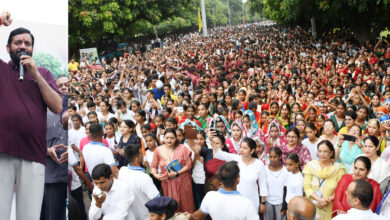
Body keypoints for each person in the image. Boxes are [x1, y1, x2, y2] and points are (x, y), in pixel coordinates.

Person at [0, 12, 63, 219]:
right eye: (18, 42)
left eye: (28, 43)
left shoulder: (43, 73)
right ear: (8, 48)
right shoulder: (2, 70)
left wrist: (35, 73)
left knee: (29, 216)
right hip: (3, 152)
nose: (23, 46)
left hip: (34, 155)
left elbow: (57, 106)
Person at [211, 136, 268, 213]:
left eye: (245, 148)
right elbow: (220, 153)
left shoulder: (259, 164)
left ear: (252, 151)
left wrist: (263, 202)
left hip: (252, 201)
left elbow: (262, 184)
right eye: (241, 147)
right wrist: (212, 141)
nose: (241, 150)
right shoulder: (236, 159)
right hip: (236, 200)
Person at [187, 161, 259, 220]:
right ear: (238, 179)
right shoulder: (246, 204)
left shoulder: (210, 197)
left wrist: (189, 216)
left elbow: (196, 217)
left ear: (220, 179)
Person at [40, 76, 69, 220]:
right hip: (50, 177)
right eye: (60, 86)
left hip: (70, 175)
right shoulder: (42, 115)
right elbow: (32, 144)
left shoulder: (76, 113)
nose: (64, 88)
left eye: (67, 84)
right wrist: (47, 151)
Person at [150, 128, 195, 213]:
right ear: (163, 138)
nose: (169, 140)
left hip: (183, 181)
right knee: (172, 205)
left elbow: (188, 165)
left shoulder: (183, 148)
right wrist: (156, 175)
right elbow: (153, 166)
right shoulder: (158, 150)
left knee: (186, 204)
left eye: (172, 138)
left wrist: (177, 173)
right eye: (167, 138)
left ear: (176, 138)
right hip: (167, 183)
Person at [302, 140, 346, 220]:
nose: (322, 154)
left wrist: (327, 200)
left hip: (329, 206)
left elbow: (341, 190)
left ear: (331, 153)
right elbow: (307, 187)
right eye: (320, 151)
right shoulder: (310, 166)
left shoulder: (338, 169)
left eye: (325, 151)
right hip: (312, 205)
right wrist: (319, 200)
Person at [119, 144, 160, 220]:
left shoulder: (122, 171)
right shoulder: (143, 178)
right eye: (141, 153)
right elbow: (156, 200)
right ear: (137, 158)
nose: (143, 155)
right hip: (146, 216)